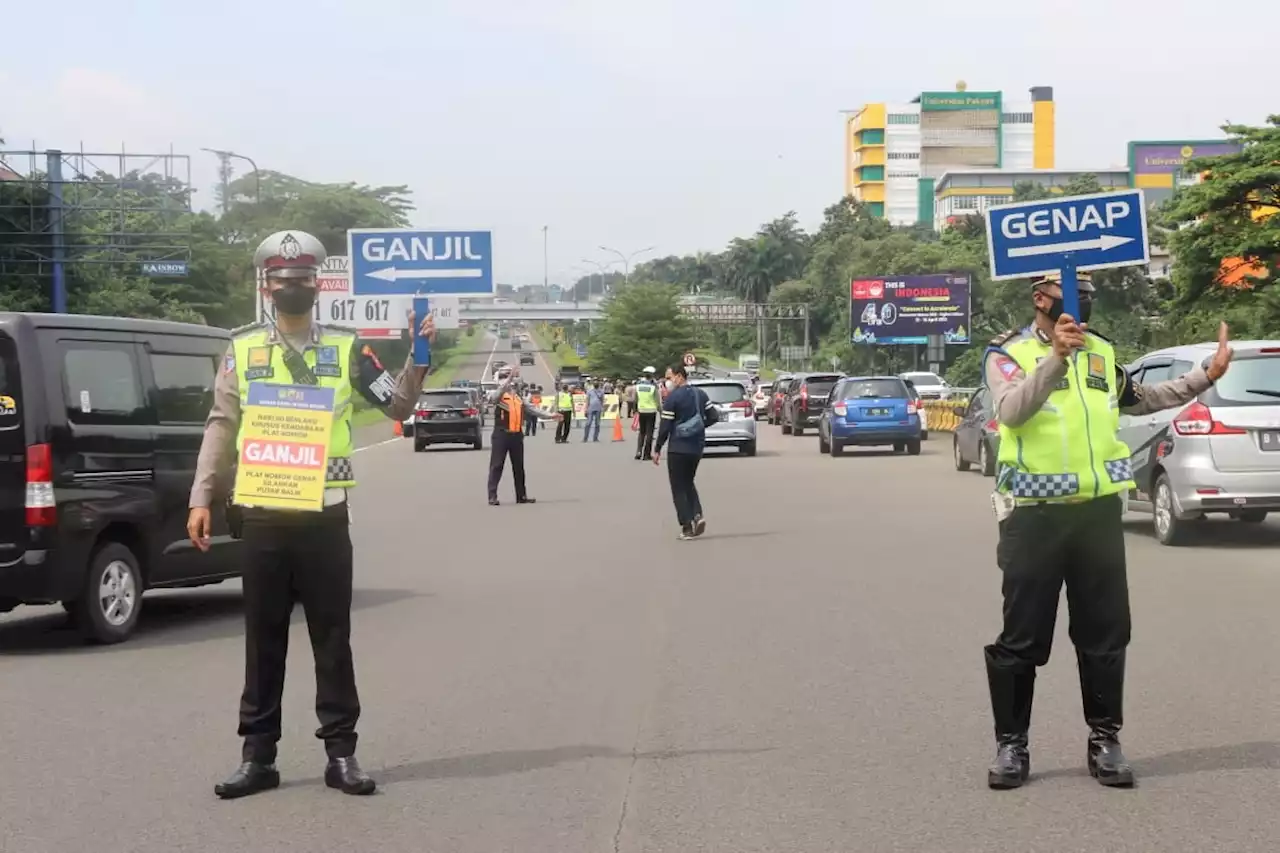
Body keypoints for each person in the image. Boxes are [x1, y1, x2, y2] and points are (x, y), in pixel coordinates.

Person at [187, 230, 434, 800]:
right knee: (262, 638)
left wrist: (419, 358)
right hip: (263, 515)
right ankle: (258, 757)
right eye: (281, 280)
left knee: (332, 636)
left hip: (325, 517)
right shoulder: (242, 348)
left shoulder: (349, 349)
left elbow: (396, 406)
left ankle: (341, 755)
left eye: (301, 279)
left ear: (317, 285)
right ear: (265, 286)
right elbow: (221, 425)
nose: (291, 288)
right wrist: (202, 496)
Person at [981, 270, 1234, 790]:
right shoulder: (1008, 354)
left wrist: (1205, 375)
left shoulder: (1099, 352)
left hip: (1097, 515)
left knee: (1105, 634)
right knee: (1022, 639)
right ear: (1040, 299)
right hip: (1034, 515)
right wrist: (1055, 358)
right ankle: (1012, 745)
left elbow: (1141, 397)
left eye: (1089, 295)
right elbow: (1012, 411)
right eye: (1073, 294)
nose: (1084, 302)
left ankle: (1105, 740)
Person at [652, 365, 716, 539]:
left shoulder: (673, 398)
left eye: (670, 377)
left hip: (678, 448)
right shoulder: (700, 395)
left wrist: (657, 448)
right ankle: (697, 514)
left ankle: (687, 527)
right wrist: (698, 427)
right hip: (696, 447)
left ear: (679, 376)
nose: (668, 381)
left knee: (678, 487)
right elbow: (713, 416)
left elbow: (665, 427)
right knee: (688, 482)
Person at [489, 370, 561, 505]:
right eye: (507, 380)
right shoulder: (498, 395)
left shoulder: (518, 398)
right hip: (501, 435)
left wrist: (551, 416)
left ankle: (521, 496)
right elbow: (493, 398)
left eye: (512, 381)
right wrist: (508, 379)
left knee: (519, 467)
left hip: (516, 435)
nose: (511, 383)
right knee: (497, 466)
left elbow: (534, 410)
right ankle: (492, 496)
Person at [634, 367, 660, 461]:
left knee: (642, 432)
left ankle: (638, 451)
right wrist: (661, 412)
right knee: (649, 433)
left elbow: (636, 399)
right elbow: (657, 402)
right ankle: (646, 454)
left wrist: (635, 410)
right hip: (651, 411)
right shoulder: (653, 387)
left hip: (641, 410)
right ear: (652, 375)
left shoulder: (638, 385)